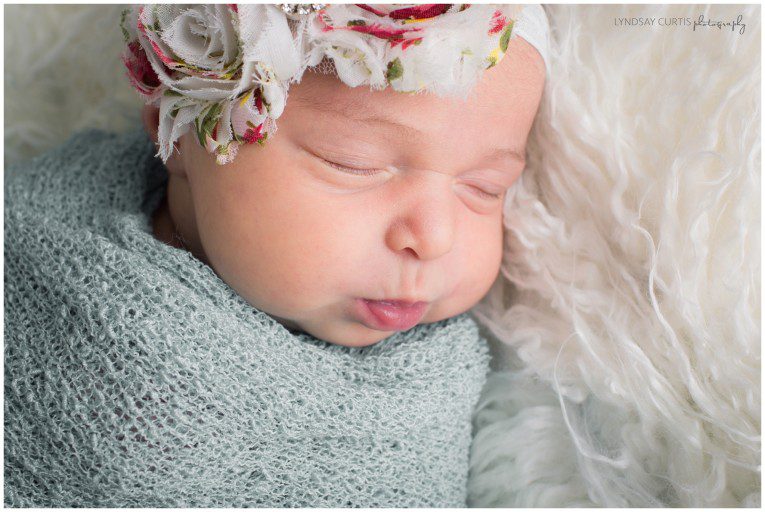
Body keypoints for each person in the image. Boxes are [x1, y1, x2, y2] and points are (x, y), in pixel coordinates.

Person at [4, 4, 548, 507]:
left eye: (485, 187)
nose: (434, 238)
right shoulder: (49, 252)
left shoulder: (428, 385)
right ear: (179, 132)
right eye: (353, 163)